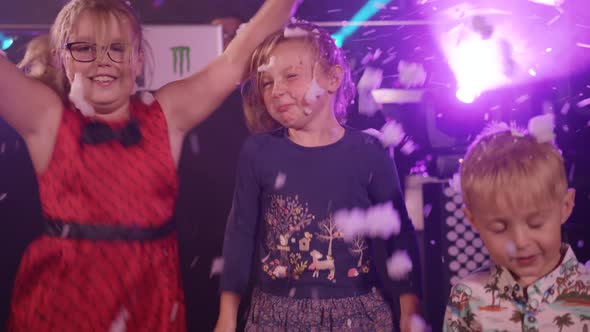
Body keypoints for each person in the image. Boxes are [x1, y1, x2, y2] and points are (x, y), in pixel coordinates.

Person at [0, 0, 300, 330]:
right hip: (60, 302)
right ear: (61, 58)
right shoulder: (47, 119)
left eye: (118, 48)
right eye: (85, 48)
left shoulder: (165, 116)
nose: (104, 61)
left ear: (139, 58)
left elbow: (237, 57)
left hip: (148, 300)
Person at [215, 21, 422, 332]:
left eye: (291, 76)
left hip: (357, 312)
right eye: (268, 82)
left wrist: (410, 311)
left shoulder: (369, 150)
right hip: (276, 315)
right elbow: (239, 236)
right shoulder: (258, 152)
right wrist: (227, 316)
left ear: (332, 77)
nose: (277, 90)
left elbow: (399, 234)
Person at [443, 117, 590, 331]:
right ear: (473, 221)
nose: (520, 242)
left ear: (565, 207)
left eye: (536, 223)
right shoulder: (467, 297)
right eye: (500, 228)